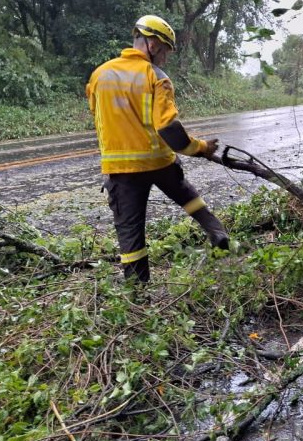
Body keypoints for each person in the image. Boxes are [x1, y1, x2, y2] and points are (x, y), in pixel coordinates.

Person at [86, 14, 230, 283]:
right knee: (187, 195)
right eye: (164, 50)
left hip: (121, 171)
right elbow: (169, 130)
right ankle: (217, 232)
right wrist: (200, 148)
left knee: (131, 238)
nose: (164, 57)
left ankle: (138, 297)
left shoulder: (98, 76)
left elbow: (98, 115)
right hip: (159, 162)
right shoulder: (156, 76)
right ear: (152, 44)